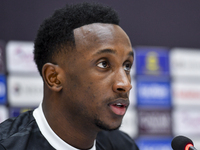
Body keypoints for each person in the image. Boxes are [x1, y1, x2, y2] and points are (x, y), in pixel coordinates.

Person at [0, 2, 139, 150]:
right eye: (103, 64)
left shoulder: (124, 145)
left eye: (127, 66)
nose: (125, 84)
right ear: (54, 78)